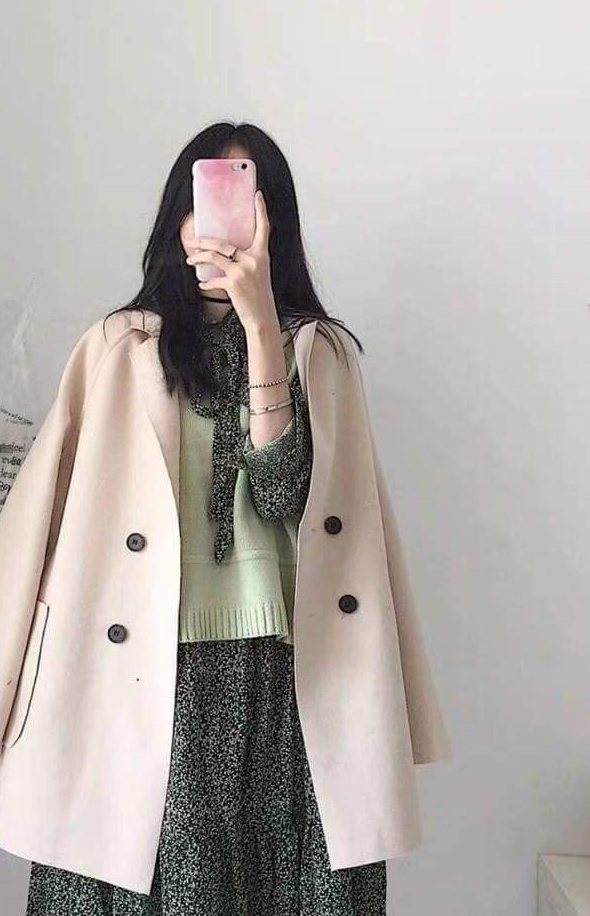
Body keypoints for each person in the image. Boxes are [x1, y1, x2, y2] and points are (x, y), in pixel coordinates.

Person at [23, 123, 388, 914]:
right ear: (176, 217)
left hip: (285, 668)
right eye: (203, 201)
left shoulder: (317, 352)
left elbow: (287, 496)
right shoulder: (119, 350)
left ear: (273, 224)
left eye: (242, 203)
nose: (217, 229)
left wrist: (261, 327)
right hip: (148, 663)